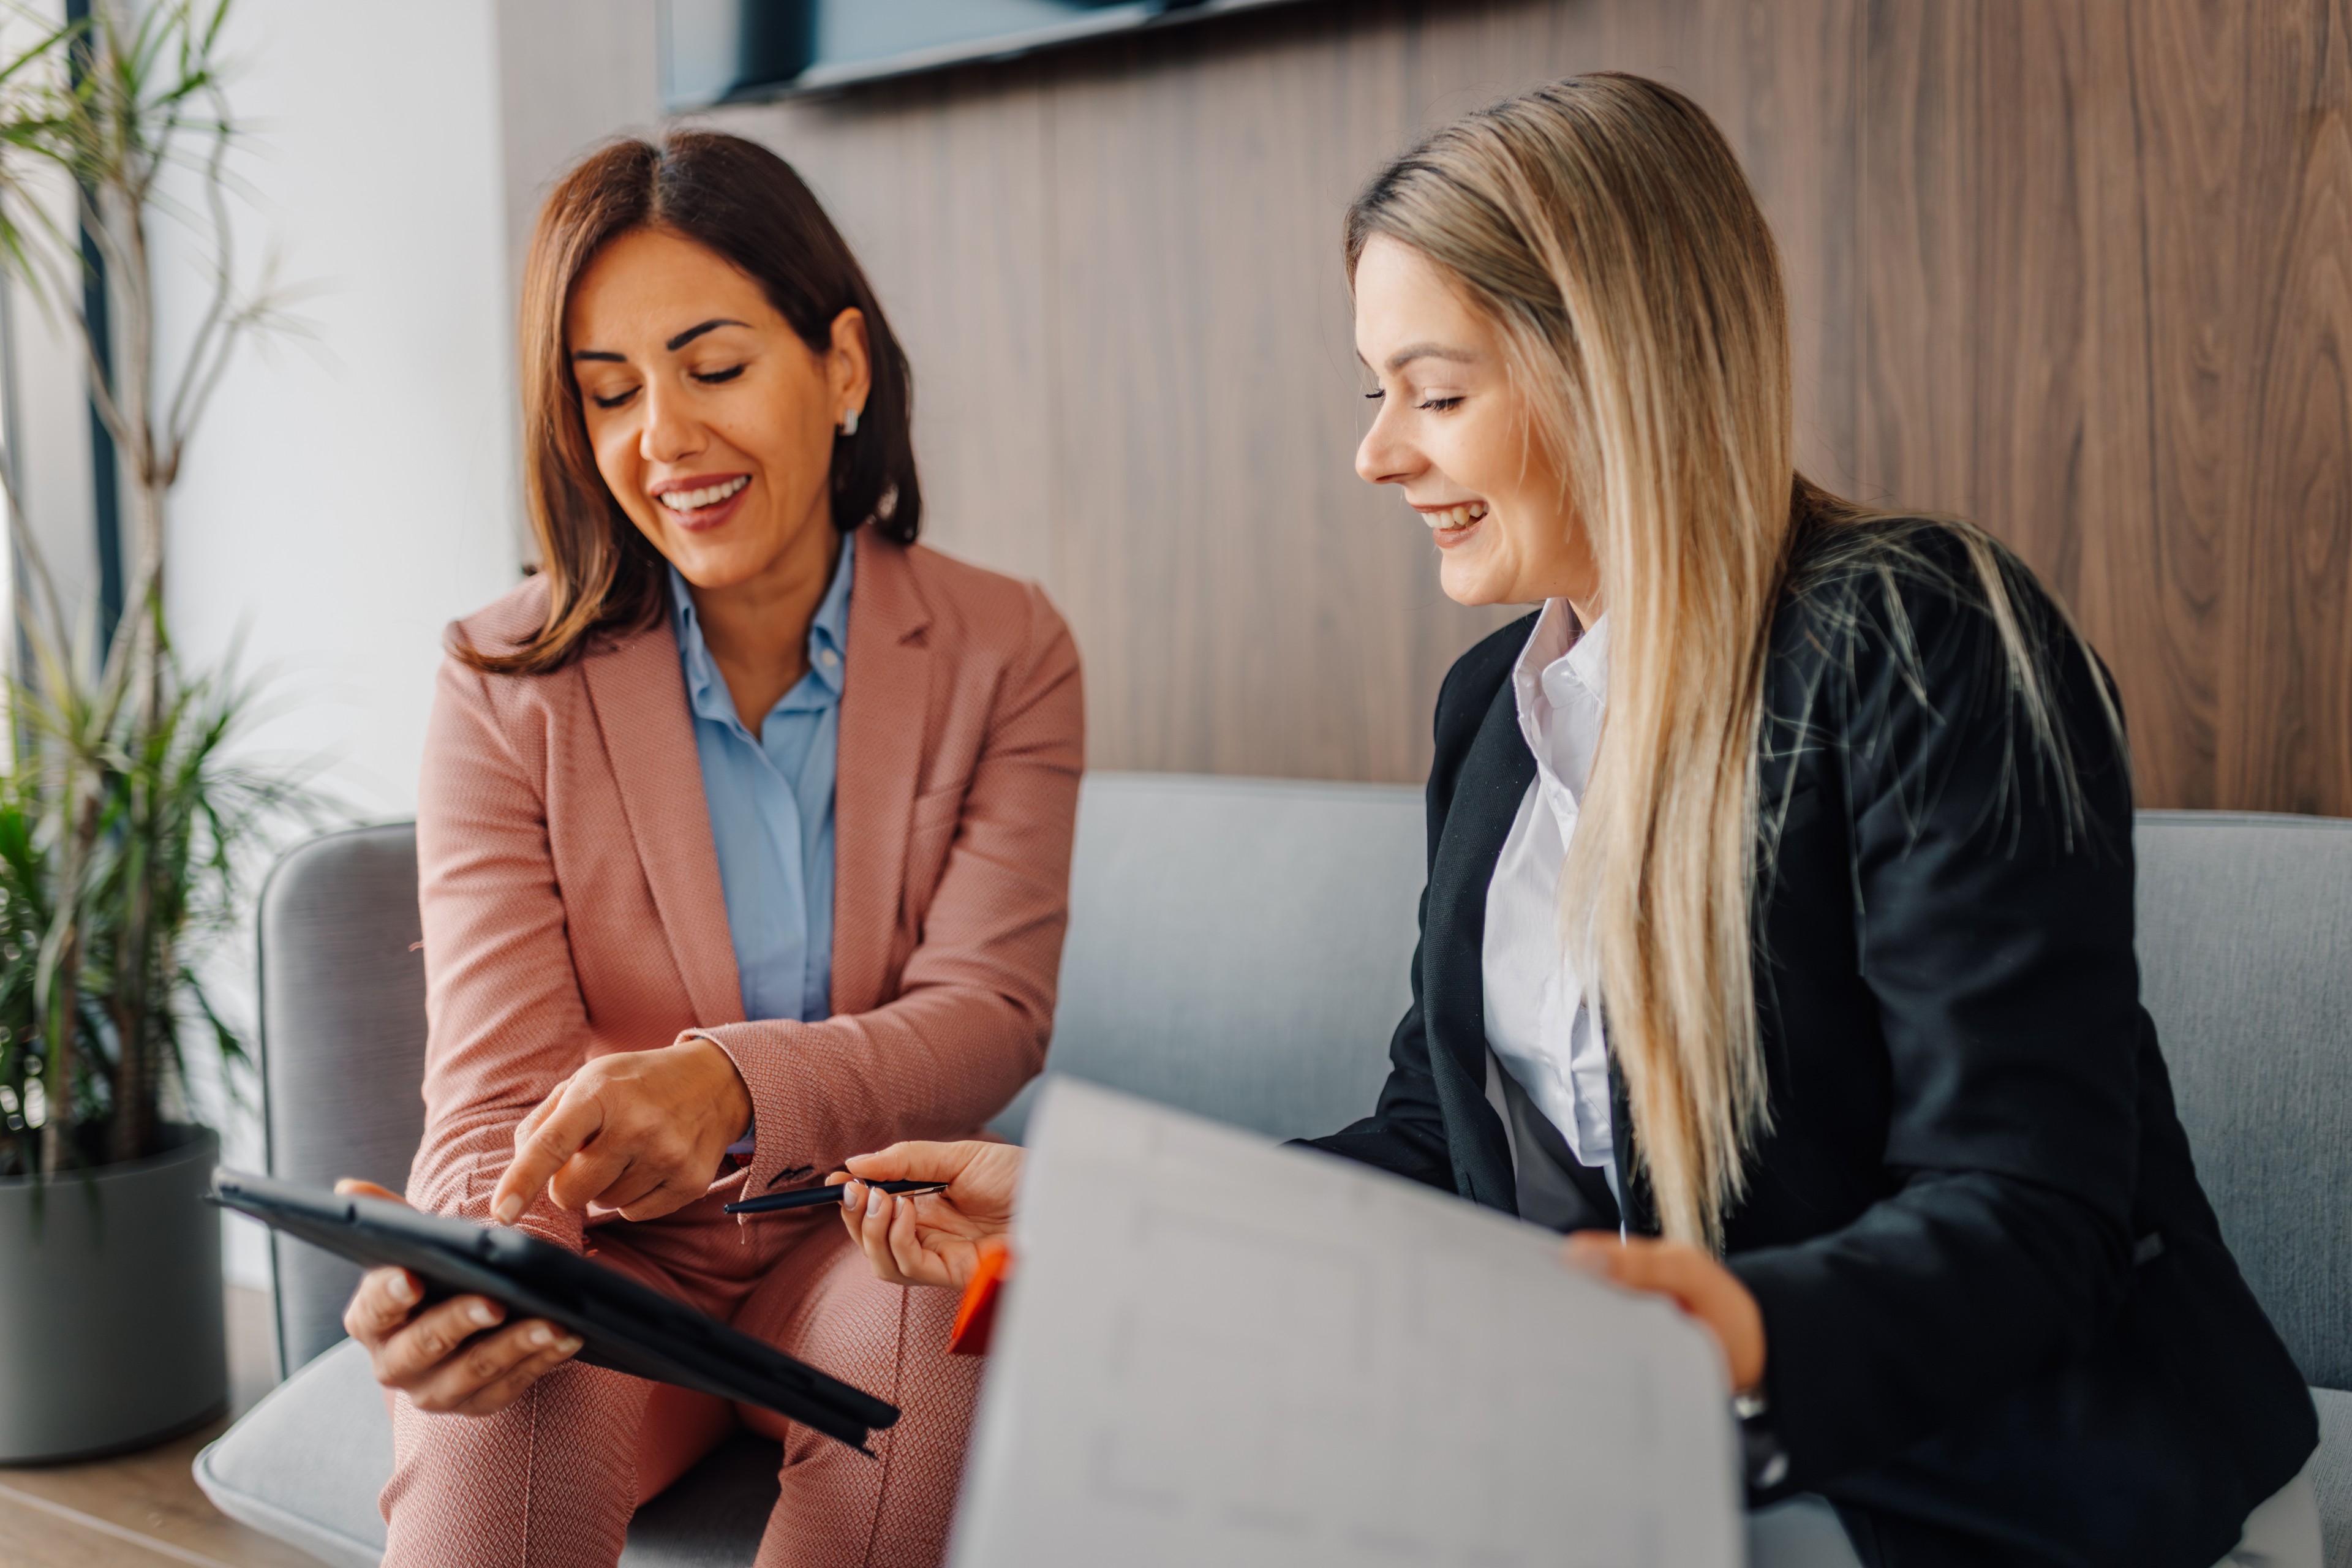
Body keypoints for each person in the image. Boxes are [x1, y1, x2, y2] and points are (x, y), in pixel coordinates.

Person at [823, 75, 2320, 1568]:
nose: (1379, 452)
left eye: (1440, 391)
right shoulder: (1498, 711)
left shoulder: (1921, 640)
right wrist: (1087, 1208)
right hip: (1674, 1451)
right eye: (1376, 391)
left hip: (2005, 1476)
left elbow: (2028, 1210)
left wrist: (1732, 1329)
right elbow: (1438, 1141)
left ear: (1616, 366)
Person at [334, 131, 1084, 1568]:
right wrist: (472, 1268)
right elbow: (493, 1086)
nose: (659, 440)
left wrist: (732, 1084)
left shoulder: (1009, 648)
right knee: (505, 1389)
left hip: (862, 1226)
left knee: (949, 1322)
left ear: (842, 365)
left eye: (714, 366)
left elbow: (991, 1012)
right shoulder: (500, 679)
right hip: (607, 1250)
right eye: (607, 394)